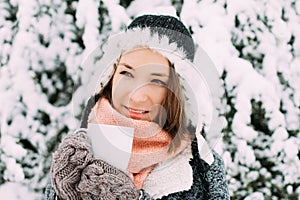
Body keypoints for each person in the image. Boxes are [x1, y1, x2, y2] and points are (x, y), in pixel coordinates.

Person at [45, 14, 229, 200]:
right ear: (110, 76)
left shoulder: (202, 168)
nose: (136, 96)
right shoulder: (77, 154)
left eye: (157, 80)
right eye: (127, 73)